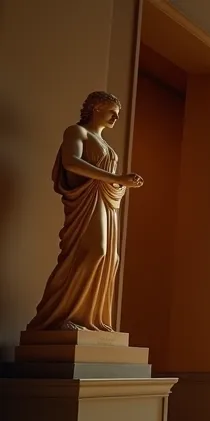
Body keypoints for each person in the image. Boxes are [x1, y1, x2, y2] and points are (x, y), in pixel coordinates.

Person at [28, 91, 144, 332]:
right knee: (94, 251)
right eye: (112, 111)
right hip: (86, 202)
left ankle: (90, 320)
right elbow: (71, 162)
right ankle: (60, 317)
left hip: (105, 202)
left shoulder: (105, 144)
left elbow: (105, 179)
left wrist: (122, 182)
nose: (116, 117)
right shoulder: (77, 132)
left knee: (111, 258)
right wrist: (117, 177)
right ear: (96, 108)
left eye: (119, 114)